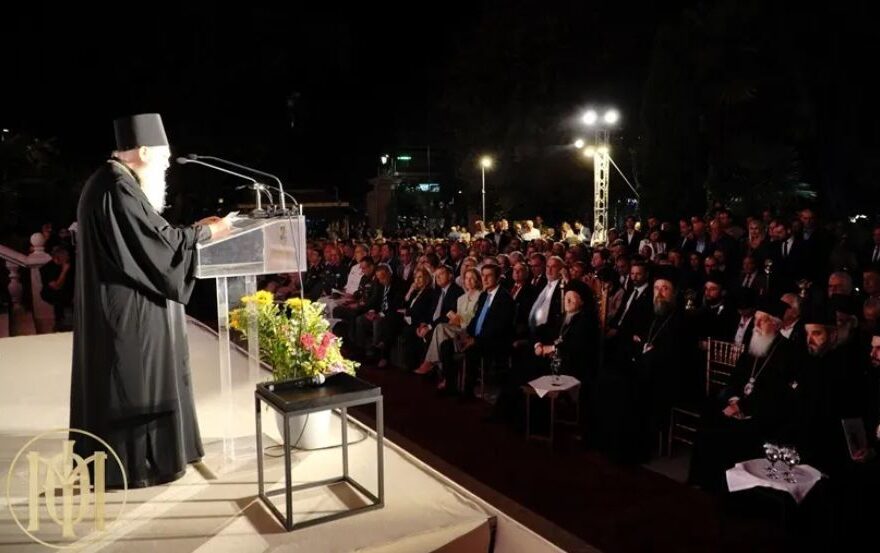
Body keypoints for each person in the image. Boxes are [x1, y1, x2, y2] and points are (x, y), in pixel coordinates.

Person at [69, 113, 232, 489]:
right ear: (142, 151)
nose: (168, 164)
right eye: (164, 156)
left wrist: (195, 231)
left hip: (128, 304)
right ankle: (141, 463)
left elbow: (150, 238)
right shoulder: (117, 187)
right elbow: (157, 247)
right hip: (130, 312)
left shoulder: (114, 181)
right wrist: (209, 232)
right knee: (136, 381)